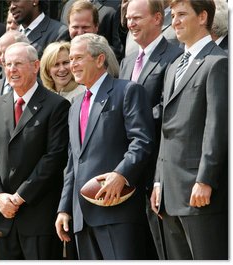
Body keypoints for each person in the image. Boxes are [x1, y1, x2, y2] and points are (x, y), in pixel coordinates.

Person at [55, 33, 155, 260]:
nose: (72, 65)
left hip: (117, 211)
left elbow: (142, 142)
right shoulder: (75, 104)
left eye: (78, 58)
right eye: (71, 59)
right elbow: (73, 162)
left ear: (100, 59)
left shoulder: (127, 91)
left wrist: (121, 175)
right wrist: (64, 208)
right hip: (82, 217)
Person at [150, 0, 228, 260]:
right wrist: (159, 181)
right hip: (170, 194)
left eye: (182, 14)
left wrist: (205, 179)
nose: (175, 21)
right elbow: (166, 129)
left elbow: (216, 127)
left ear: (203, 16)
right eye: (173, 15)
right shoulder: (173, 67)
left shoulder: (218, 63)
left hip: (199, 193)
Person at [0, 42, 71, 260]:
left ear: (36, 65)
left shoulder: (56, 105)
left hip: (39, 219)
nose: (12, 69)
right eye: (8, 64)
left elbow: (54, 158)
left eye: (18, 63)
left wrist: (20, 198)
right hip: (4, 220)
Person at [119, 0, 183, 259]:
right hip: (131, 169)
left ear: (158, 19)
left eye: (137, 18)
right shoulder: (127, 61)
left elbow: (169, 107)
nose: (130, 23)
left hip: (157, 163)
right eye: (128, 18)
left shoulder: (174, 56)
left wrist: (134, 119)